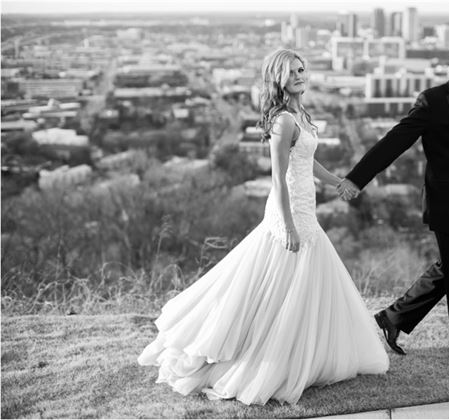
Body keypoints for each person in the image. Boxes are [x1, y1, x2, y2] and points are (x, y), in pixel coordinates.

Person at [138, 48, 389, 405]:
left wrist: (340, 182)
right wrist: (287, 227)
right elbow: (278, 180)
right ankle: (271, 359)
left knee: (301, 285)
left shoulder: (301, 113)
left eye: (302, 69)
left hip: (306, 207)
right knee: (279, 285)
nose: (300, 76)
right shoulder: (284, 120)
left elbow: (307, 160)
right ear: (278, 78)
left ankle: (304, 354)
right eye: (291, 72)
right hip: (288, 211)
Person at [338, 39, 449, 362]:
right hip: (446, 203)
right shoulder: (432, 101)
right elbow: (394, 142)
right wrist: (357, 179)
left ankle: (393, 317)